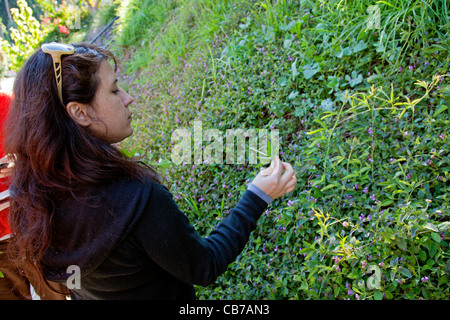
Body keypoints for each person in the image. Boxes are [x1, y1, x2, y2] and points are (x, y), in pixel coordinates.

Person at [4, 42, 297, 300]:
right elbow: (204, 266)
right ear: (80, 113)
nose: (129, 98)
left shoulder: (29, 200)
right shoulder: (137, 201)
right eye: (115, 89)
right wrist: (258, 195)